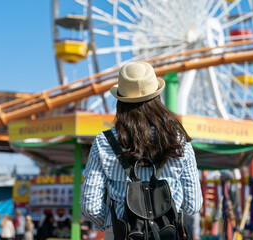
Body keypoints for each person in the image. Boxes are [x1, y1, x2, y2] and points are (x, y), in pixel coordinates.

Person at [80, 61, 203, 239]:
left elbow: (90, 205)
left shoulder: (104, 142)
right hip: (168, 232)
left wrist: (112, 225)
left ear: (120, 101)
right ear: (156, 97)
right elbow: (193, 204)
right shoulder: (178, 140)